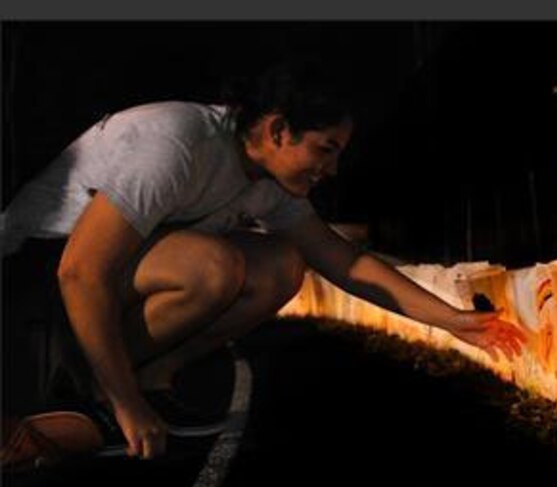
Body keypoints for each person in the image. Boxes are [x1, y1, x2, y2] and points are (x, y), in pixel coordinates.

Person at [0, 58, 527, 461]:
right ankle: (95, 389)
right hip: (39, 268)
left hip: (107, 274)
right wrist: (121, 401)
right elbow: (80, 270)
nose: (334, 169)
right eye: (326, 149)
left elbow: (343, 261)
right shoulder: (177, 144)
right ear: (278, 130)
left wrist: (455, 322)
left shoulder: (270, 184)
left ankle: (153, 379)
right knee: (212, 267)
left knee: (283, 264)